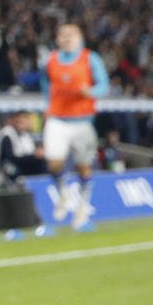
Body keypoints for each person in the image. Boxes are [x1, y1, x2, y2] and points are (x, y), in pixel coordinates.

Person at [44, 22, 109, 228]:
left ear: (80, 37)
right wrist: (48, 104)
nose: (66, 38)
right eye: (62, 34)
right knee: (54, 162)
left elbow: (104, 85)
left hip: (82, 121)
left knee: (83, 167)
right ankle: (64, 193)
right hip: (57, 119)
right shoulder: (51, 60)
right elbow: (45, 83)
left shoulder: (90, 58)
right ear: (57, 38)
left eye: (70, 34)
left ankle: (82, 205)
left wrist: (91, 92)